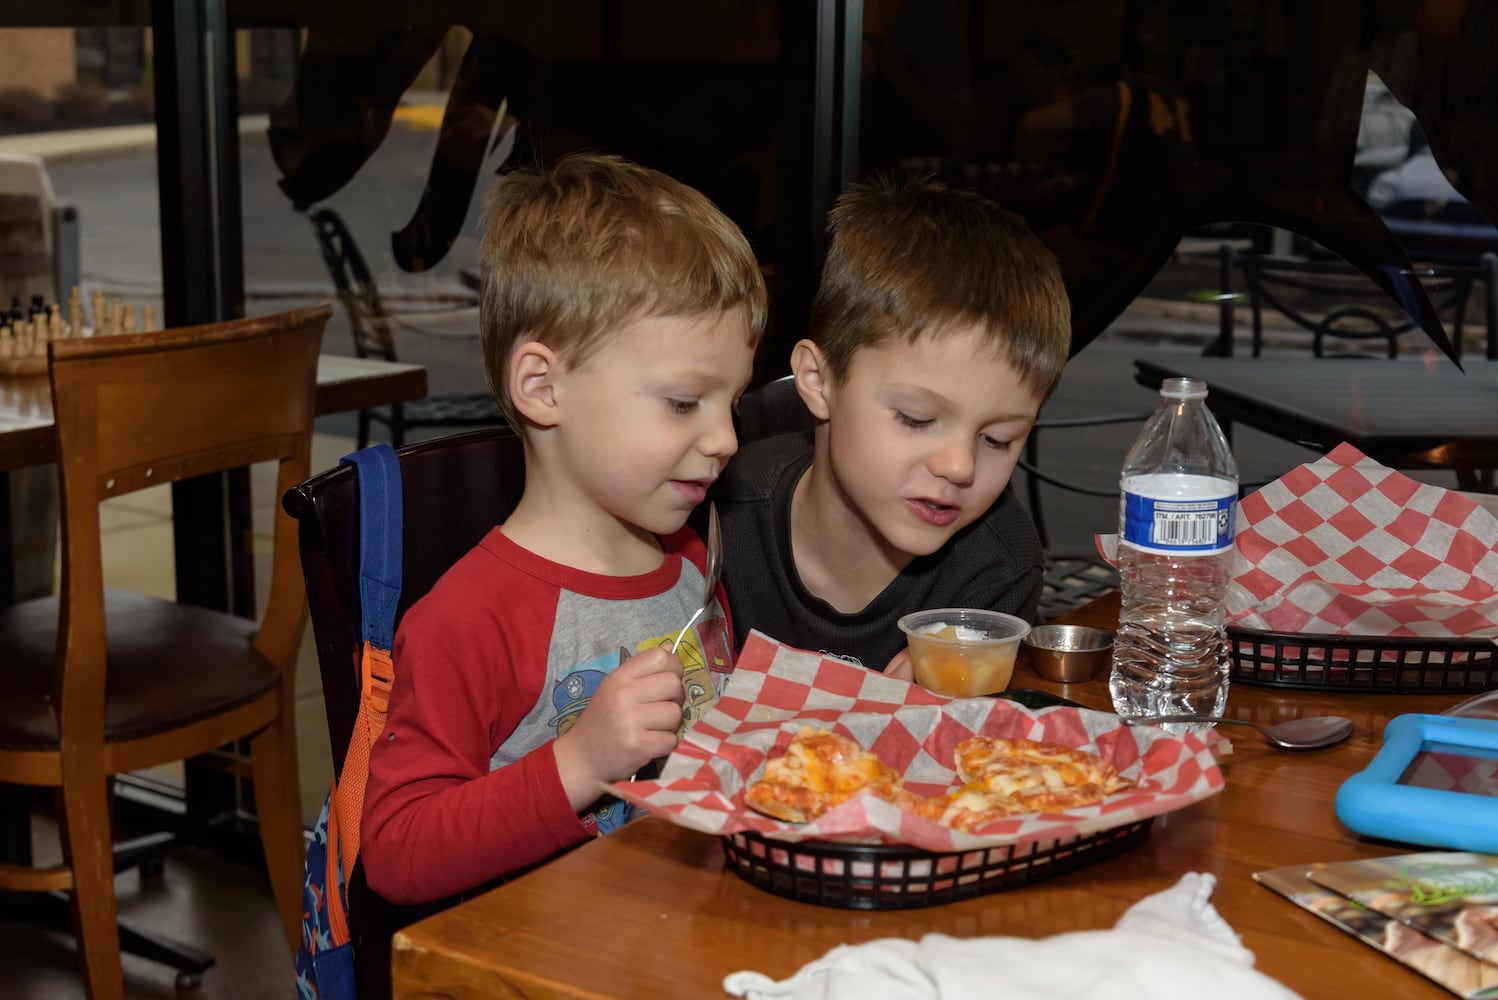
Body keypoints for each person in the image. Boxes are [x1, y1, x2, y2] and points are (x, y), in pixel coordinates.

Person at [361, 153, 766, 905]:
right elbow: (396, 854)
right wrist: (580, 763)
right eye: (684, 403)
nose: (725, 440)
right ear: (544, 389)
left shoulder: (688, 566)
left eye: (731, 404)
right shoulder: (470, 619)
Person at [714, 175, 1070, 673]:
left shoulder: (996, 566)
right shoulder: (720, 516)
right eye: (916, 418)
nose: (959, 465)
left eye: (998, 439)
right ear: (818, 380)